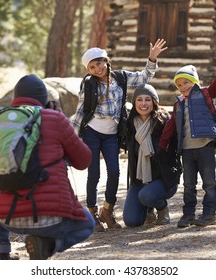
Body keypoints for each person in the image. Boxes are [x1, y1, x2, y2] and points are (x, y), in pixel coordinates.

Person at [0, 74, 94, 260]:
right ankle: (46, 245)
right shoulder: (55, 119)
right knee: (87, 225)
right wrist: (60, 120)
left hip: (6, 218)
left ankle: (0, 251)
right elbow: (84, 161)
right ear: (45, 99)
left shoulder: (0, 121)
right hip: (51, 218)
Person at [70, 39, 168, 232]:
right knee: (94, 173)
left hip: (112, 133)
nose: (97, 69)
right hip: (92, 133)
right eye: (92, 67)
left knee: (114, 171)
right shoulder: (89, 84)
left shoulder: (121, 77)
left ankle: (108, 209)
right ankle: (93, 212)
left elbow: (143, 78)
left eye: (99, 63)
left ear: (106, 61)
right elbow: (80, 111)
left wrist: (152, 58)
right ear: (88, 70)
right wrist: (71, 136)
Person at [158, 52, 216, 227]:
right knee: (189, 185)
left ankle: (209, 215)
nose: (183, 87)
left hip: (205, 147)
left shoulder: (206, 93)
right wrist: (162, 144)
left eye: (186, 83)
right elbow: (170, 126)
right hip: (187, 150)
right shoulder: (179, 104)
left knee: (209, 183)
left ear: (195, 82)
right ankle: (188, 215)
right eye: (179, 85)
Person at [122, 84, 180, 227]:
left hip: (164, 178)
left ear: (154, 101)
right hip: (140, 180)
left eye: (147, 99)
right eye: (139, 100)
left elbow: (180, 143)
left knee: (146, 196)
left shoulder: (164, 121)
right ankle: (148, 210)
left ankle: (161, 208)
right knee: (131, 221)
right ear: (134, 102)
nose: (143, 104)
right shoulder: (130, 124)